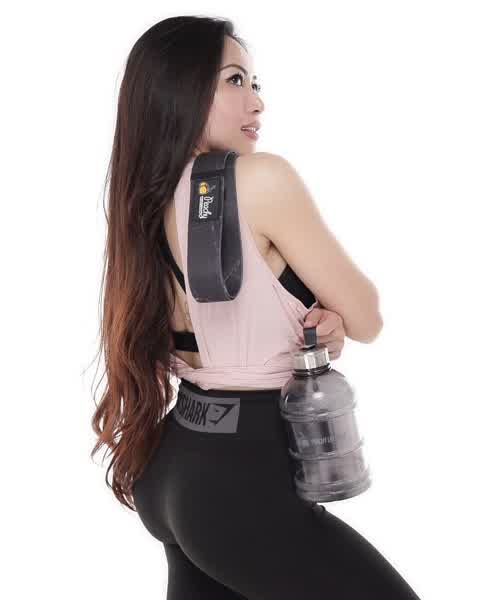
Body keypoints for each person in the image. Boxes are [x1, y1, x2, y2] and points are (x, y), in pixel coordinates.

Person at [91, 15, 421, 599]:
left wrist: (315, 322)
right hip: (240, 480)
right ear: (181, 88)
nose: (257, 102)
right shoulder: (260, 179)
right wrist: (336, 314)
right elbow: (368, 317)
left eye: (255, 83)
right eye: (235, 80)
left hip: (177, 464)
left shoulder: (143, 196)